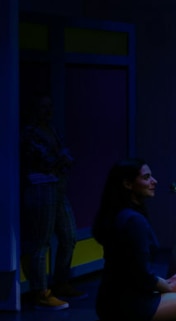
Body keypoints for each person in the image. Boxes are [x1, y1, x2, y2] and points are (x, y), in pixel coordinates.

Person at [92, 158, 176, 321]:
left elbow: (134, 269)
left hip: (122, 294)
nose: (154, 181)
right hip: (128, 303)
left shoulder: (122, 213)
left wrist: (168, 281)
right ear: (128, 184)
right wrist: (169, 286)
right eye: (146, 177)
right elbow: (141, 274)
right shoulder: (132, 220)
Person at [19, 94, 86, 310]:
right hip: (40, 187)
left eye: (50, 107)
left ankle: (61, 281)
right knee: (40, 242)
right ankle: (41, 291)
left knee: (69, 236)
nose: (48, 111)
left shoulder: (52, 130)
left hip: (57, 186)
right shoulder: (29, 133)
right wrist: (61, 159)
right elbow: (49, 159)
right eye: (43, 107)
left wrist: (61, 160)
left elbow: (64, 158)